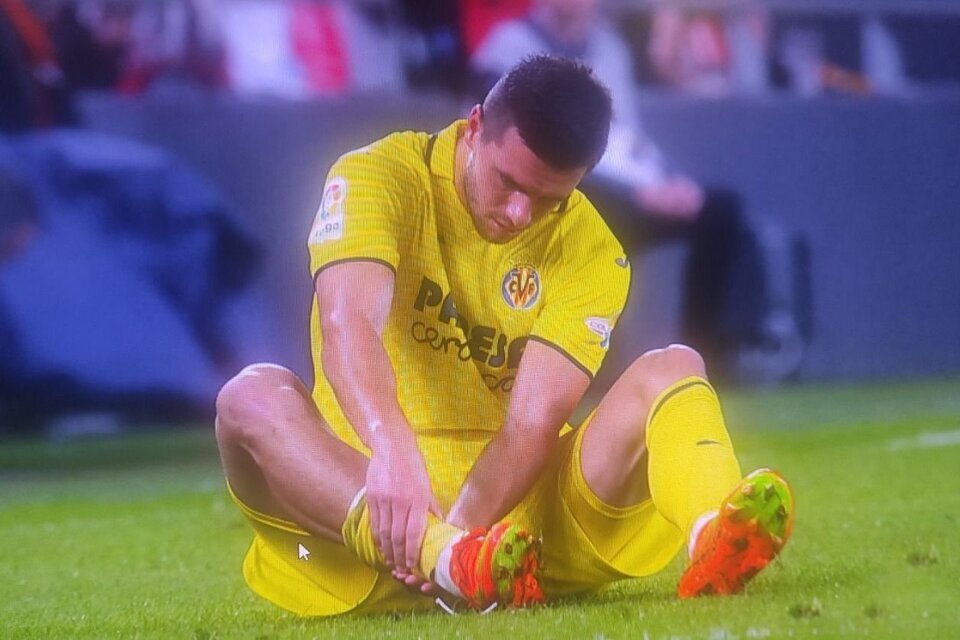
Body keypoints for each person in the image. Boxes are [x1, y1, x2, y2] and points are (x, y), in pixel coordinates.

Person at [214, 55, 794, 616]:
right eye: (508, 182)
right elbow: (349, 324)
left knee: (674, 366)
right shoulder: (377, 176)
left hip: (515, 541)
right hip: (358, 517)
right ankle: (444, 557)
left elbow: (529, 426)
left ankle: (713, 531)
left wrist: (464, 535)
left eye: (548, 200)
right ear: (474, 128)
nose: (519, 213)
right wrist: (391, 451)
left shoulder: (593, 251)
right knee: (250, 396)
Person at [470, 0, 771, 379]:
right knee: (581, 197)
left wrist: (667, 181)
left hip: (626, 184)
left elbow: (626, 137)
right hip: (552, 186)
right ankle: (572, 361)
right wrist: (634, 194)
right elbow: (500, 141)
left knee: (719, 210)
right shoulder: (508, 44)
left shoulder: (609, 47)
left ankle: (698, 358)